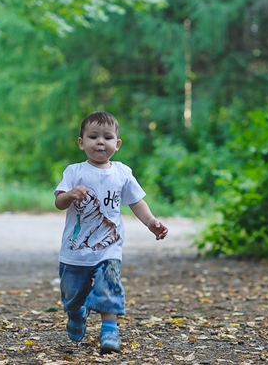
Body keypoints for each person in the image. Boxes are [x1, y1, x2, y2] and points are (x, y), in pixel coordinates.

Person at [54, 111, 168, 354]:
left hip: (109, 247)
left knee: (110, 284)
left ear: (117, 144)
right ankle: (77, 314)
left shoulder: (122, 172)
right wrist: (70, 195)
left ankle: (109, 330)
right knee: (72, 296)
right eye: (93, 136)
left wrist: (150, 222)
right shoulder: (74, 171)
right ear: (81, 142)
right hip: (74, 253)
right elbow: (59, 202)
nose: (100, 142)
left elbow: (136, 201)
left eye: (107, 137)